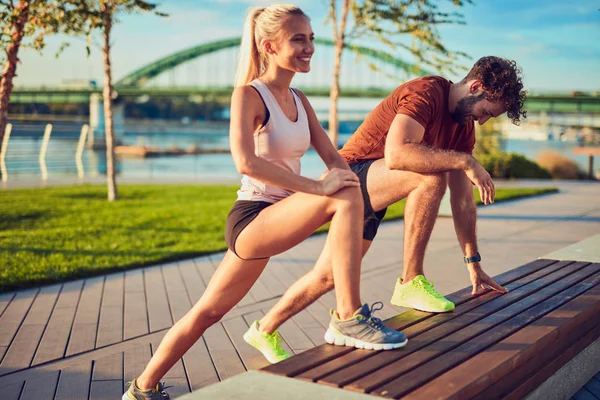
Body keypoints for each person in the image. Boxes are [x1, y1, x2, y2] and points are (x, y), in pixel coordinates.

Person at [123, 4, 406, 400]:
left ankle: (141, 388)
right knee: (340, 193)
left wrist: (360, 182)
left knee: (208, 311)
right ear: (269, 46)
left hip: (279, 215)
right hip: (253, 220)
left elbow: (335, 158)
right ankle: (348, 317)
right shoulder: (249, 95)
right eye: (298, 39)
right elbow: (246, 162)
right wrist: (320, 188)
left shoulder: (300, 100)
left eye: (311, 38)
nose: (309, 47)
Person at [248, 56, 526, 363]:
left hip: (374, 191)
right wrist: (465, 161)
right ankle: (410, 281)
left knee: (327, 276)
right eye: (485, 111)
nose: (483, 120)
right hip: (352, 175)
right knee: (430, 177)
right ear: (475, 86)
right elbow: (396, 155)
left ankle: (263, 329)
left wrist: (473, 262)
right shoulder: (426, 92)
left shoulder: (463, 130)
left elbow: (462, 201)